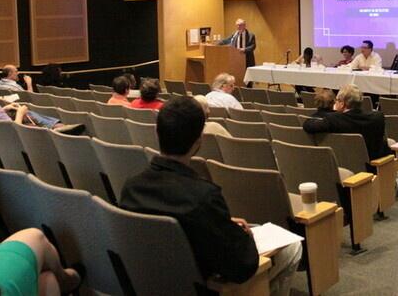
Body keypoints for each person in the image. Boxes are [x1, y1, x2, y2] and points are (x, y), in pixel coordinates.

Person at [120, 97, 301, 295]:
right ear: (199, 140)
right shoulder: (203, 196)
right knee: (292, 248)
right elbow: (241, 267)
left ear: (157, 132)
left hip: (152, 283)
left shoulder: (131, 187)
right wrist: (244, 235)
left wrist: (221, 222)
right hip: (203, 286)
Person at [303, 84, 392, 162]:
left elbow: (307, 125)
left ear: (342, 104)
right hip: (376, 167)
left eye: (337, 100)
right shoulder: (378, 118)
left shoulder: (334, 120)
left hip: (344, 164)